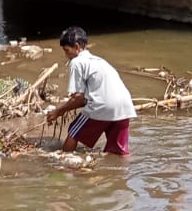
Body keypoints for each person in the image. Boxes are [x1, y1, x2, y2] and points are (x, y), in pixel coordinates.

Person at [44, 26, 136, 157]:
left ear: (76, 47)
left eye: (66, 50)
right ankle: (121, 174)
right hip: (125, 106)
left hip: (102, 105)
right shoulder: (100, 61)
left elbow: (78, 98)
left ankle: (63, 163)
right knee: (119, 151)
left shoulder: (76, 62)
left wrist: (58, 112)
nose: (66, 55)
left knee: (73, 131)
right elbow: (87, 97)